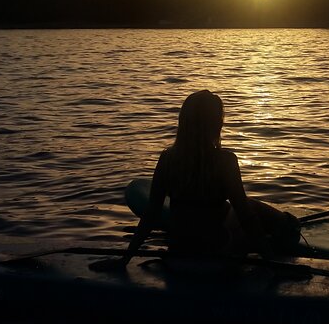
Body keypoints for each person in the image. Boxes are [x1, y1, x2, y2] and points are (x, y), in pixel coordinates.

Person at [91, 90, 300, 271]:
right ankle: (288, 227)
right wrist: (273, 264)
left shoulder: (168, 159)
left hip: (178, 262)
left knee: (237, 212)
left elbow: (150, 215)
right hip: (219, 263)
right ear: (216, 123)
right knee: (247, 209)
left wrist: (124, 259)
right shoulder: (226, 161)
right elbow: (247, 218)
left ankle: (286, 227)